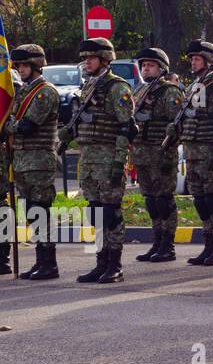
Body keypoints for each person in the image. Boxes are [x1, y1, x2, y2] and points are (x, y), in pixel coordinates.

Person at [58, 38, 136, 283]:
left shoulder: (117, 88)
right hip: (89, 159)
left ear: (104, 59)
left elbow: (127, 128)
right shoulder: (88, 87)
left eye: (91, 58)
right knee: (95, 213)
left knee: (111, 213)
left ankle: (115, 265)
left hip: (108, 159)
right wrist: (70, 132)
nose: (86, 62)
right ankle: (100, 263)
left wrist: (118, 161)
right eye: (84, 58)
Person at [169, 40, 213, 267]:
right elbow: (192, 116)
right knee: (200, 201)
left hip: (210, 153)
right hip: (193, 153)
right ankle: (208, 245)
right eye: (192, 59)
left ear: (210, 61)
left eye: (197, 58)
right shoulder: (195, 87)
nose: (193, 62)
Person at [4, 45, 62, 280]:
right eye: (18, 65)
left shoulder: (44, 92)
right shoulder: (24, 91)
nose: (20, 69)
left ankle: (50, 264)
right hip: (23, 161)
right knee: (31, 212)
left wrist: (7, 126)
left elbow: (28, 125)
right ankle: (40, 262)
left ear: (37, 65)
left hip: (39, 160)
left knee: (40, 212)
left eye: (25, 65)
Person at [128, 48, 183, 265]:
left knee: (163, 200)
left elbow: (178, 123)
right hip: (142, 154)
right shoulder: (140, 91)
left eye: (150, 65)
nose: (145, 69)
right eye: (143, 65)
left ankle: (167, 245)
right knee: (151, 201)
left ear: (161, 68)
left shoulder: (170, 92)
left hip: (161, 154)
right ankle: (157, 241)